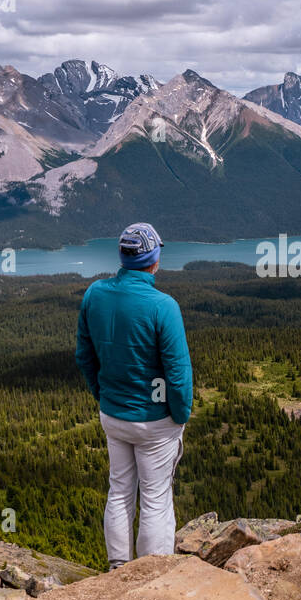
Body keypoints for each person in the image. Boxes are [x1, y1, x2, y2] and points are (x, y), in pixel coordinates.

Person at [75, 222, 192, 568]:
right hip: (155, 422)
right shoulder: (163, 306)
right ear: (154, 261)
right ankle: (151, 574)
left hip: (114, 416)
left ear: (123, 258)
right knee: (155, 498)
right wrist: (180, 415)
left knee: (120, 491)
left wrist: (103, 395)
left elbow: (84, 356)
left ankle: (118, 567)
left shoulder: (95, 294)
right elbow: (178, 374)